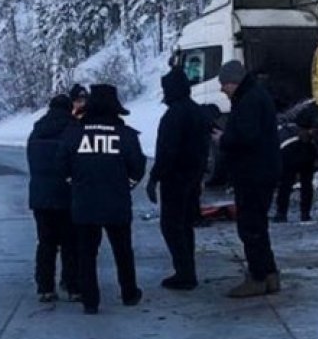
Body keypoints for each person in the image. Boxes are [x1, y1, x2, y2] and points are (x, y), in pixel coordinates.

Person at [58, 84, 145, 314]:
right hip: (116, 201)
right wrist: (126, 186)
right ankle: (129, 293)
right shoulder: (125, 134)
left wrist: (75, 184)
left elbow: (62, 165)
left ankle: (90, 301)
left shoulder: (74, 133)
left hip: (85, 202)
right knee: (123, 250)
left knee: (86, 253)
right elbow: (138, 166)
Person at [215, 61, 282, 297]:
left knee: (250, 226)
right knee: (259, 225)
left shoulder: (248, 100)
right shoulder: (256, 95)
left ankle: (258, 277)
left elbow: (246, 136)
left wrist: (223, 139)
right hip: (263, 170)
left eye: (224, 85)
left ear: (234, 82)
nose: (223, 90)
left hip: (253, 173)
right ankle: (269, 273)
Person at [146, 68, 207, 290]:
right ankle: (187, 270)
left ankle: (184, 272)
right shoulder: (196, 111)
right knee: (185, 225)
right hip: (193, 176)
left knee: (171, 226)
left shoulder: (174, 115)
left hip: (175, 178)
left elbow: (166, 151)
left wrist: (154, 178)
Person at [27, 94, 78, 302]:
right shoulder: (74, 130)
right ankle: (73, 285)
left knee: (46, 243)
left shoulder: (37, 130)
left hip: (41, 196)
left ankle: (45, 286)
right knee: (71, 243)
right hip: (68, 195)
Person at [274, 99, 318, 223]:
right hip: (307, 152)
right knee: (306, 184)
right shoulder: (296, 120)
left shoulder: (277, 127)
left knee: (285, 184)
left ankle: (281, 214)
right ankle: (305, 214)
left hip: (288, 153)